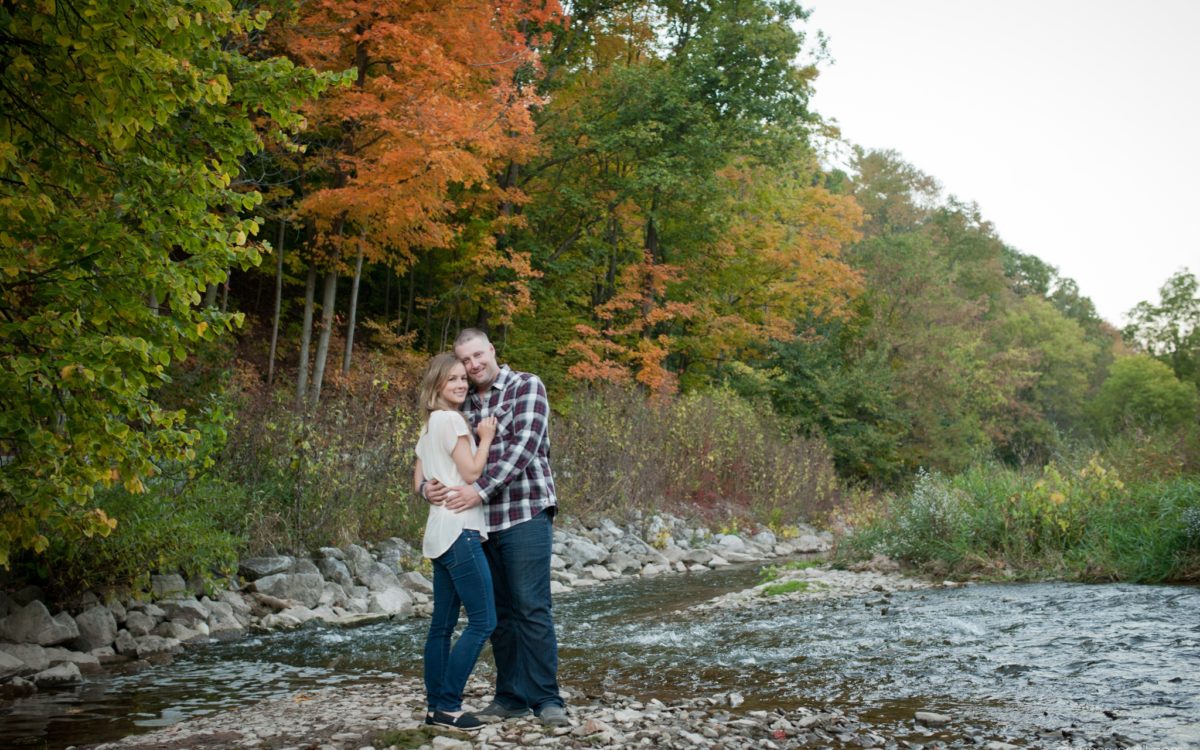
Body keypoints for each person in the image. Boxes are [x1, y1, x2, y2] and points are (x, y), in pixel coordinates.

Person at [423, 328, 568, 727]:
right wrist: (425, 486)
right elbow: (434, 449)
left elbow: (525, 446)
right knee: (499, 612)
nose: (472, 365)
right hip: (481, 523)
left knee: (531, 606)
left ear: (491, 350)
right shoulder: (460, 399)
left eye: (477, 355)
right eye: (465, 361)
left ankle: (546, 699)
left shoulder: (526, 386)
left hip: (525, 511)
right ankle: (510, 696)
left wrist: (480, 491)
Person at [412, 353, 499, 731]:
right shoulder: (450, 419)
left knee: (441, 627)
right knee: (483, 620)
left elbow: (418, 479)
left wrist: (424, 489)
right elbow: (472, 471)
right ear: (436, 387)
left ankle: (434, 708)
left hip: (438, 534)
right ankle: (448, 705)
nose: (461, 385)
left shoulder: (429, 426)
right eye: (452, 381)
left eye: (463, 378)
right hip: (460, 531)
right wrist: (486, 437)